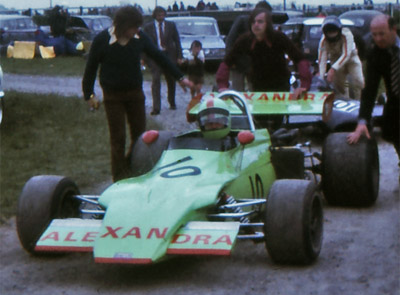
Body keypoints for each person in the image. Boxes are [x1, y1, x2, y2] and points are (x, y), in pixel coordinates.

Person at [82, 6, 192, 182]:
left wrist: (180, 77)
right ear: (123, 26)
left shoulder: (139, 38)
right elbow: (90, 69)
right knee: (118, 139)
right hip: (113, 97)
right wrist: (89, 94)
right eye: (134, 27)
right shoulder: (102, 40)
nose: (137, 30)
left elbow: (159, 56)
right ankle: (119, 179)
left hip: (135, 94)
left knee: (140, 137)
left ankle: (134, 172)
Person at [217, 8, 311, 96]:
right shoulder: (245, 39)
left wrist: (304, 86)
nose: (256, 25)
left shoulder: (279, 37)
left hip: (280, 86)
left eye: (260, 22)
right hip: (257, 86)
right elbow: (227, 62)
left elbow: (300, 59)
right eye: (253, 22)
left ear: (268, 24)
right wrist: (222, 86)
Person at [347, 15, 399, 158]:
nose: (377, 39)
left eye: (382, 34)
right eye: (374, 35)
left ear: (393, 29)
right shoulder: (375, 53)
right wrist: (362, 121)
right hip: (396, 108)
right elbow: (370, 89)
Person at [143, 6, 183, 115]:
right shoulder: (148, 27)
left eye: (163, 14)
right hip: (155, 57)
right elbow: (144, 44)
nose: (161, 16)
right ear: (155, 15)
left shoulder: (171, 25)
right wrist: (145, 59)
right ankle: (156, 107)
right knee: (155, 81)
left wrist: (180, 56)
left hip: (169, 56)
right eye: (159, 14)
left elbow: (177, 41)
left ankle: (172, 102)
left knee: (171, 80)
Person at [224, 1, 272, 91]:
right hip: (238, 62)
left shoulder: (266, 26)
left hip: (253, 65)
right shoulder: (242, 20)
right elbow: (230, 40)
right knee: (238, 91)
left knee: (255, 91)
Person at [318, 16, 365, 100]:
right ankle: (345, 101)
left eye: (334, 31)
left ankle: (360, 102)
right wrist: (321, 78)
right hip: (335, 58)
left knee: (359, 81)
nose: (331, 34)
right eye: (329, 32)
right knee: (340, 85)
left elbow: (346, 54)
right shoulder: (323, 41)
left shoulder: (347, 35)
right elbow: (322, 60)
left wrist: (332, 69)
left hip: (351, 58)